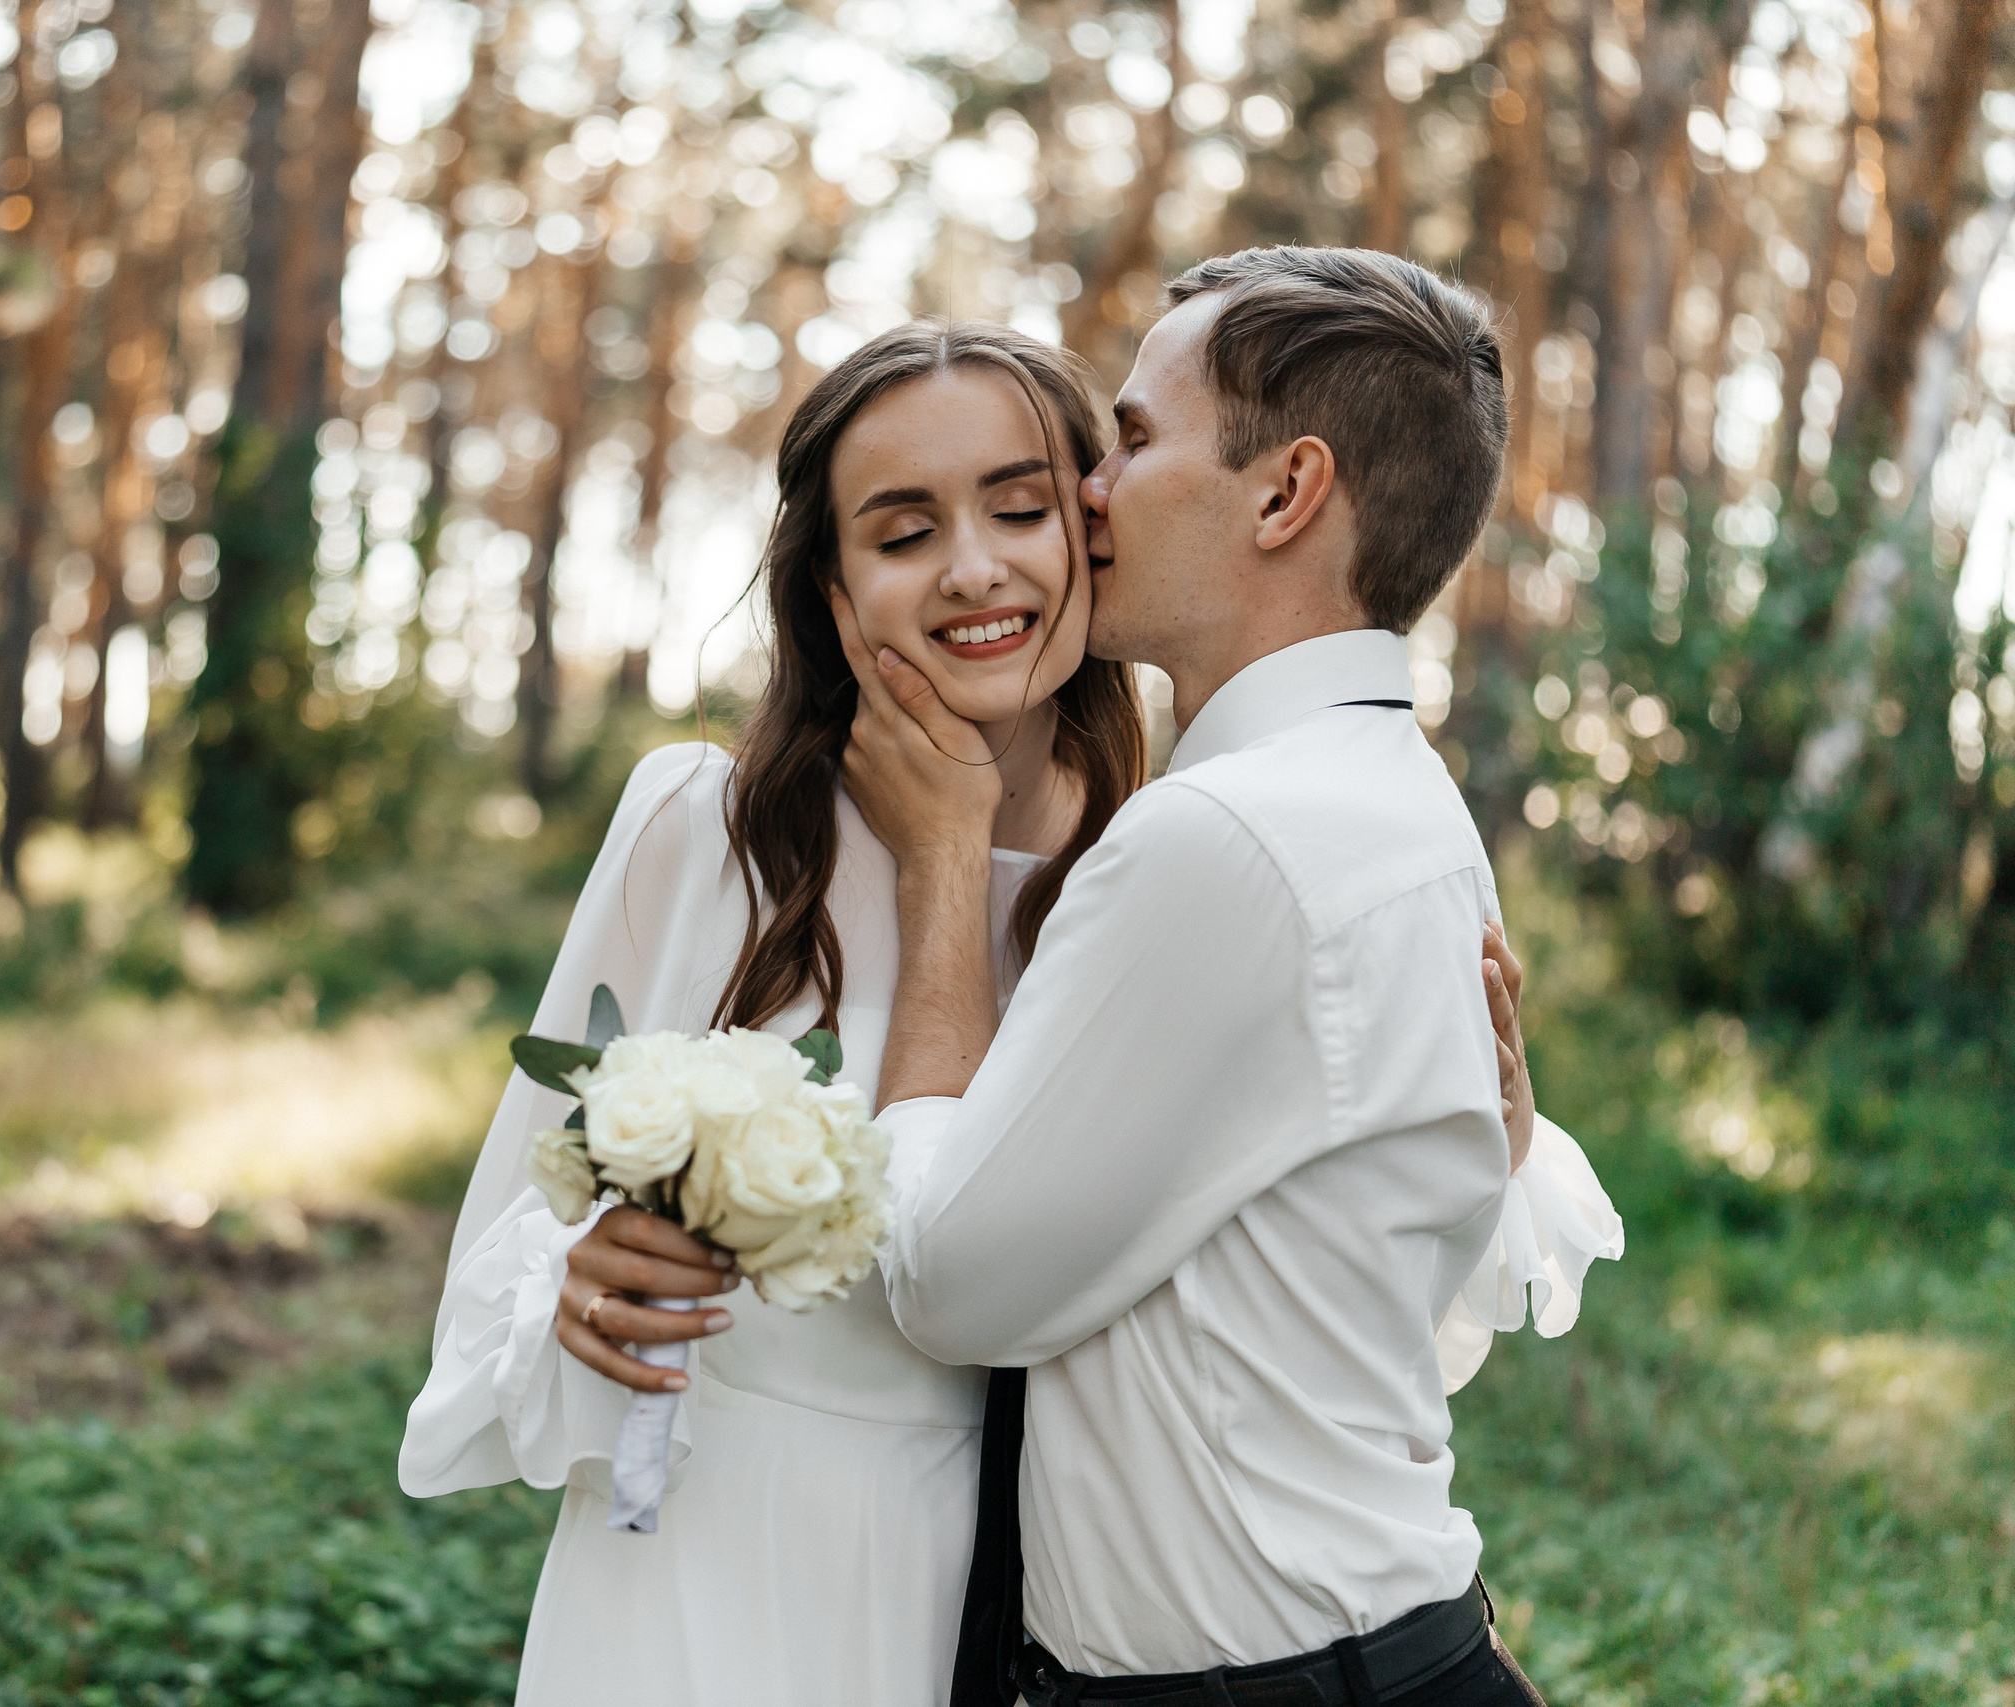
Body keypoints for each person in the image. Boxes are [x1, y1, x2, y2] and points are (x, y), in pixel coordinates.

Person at [398, 316, 1611, 1707]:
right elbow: (505, 1242)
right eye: (902, 532)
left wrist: (1491, 1123)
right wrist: (574, 1285)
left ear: (1091, 527)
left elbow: (1317, 1268)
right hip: (715, 1590)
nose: (975, 570)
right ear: (834, 586)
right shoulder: (703, 830)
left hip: (1022, 1626)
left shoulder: (1169, 873)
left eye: (1023, 509)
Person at [841, 248, 1613, 1707]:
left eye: (1131, 439)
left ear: (1285, 492)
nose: (1082, 488)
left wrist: (944, 870)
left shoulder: (1224, 837)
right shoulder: (1406, 801)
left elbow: (947, 1287)